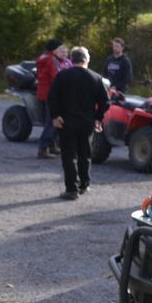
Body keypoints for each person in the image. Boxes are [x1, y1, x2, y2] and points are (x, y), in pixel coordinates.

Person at [47, 46, 110, 200]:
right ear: (86, 60)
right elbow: (105, 102)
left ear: (72, 59)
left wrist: (55, 115)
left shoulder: (62, 76)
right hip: (87, 122)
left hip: (66, 121)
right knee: (85, 154)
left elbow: (52, 97)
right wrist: (98, 117)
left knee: (68, 155)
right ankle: (84, 184)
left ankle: (71, 189)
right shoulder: (96, 78)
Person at [35, 39, 62, 158]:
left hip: (42, 92)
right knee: (52, 121)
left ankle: (52, 145)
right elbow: (56, 77)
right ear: (54, 49)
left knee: (49, 120)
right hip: (51, 93)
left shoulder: (41, 59)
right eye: (59, 48)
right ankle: (43, 148)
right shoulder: (52, 60)